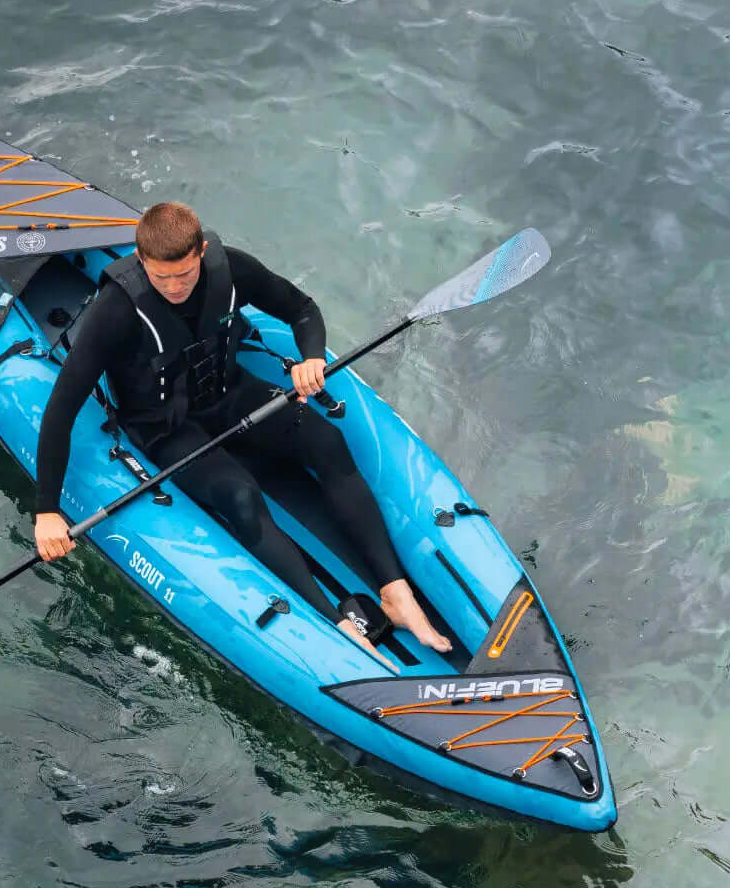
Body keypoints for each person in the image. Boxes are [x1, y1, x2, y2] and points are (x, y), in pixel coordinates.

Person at [33, 202, 451, 669]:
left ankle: (394, 591)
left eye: (185, 275)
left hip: (229, 395)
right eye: (161, 277)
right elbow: (61, 408)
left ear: (202, 252)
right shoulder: (115, 310)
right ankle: (334, 623)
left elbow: (301, 309)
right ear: (140, 259)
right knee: (241, 496)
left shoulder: (229, 269)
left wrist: (311, 357)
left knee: (327, 442)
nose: (173, 287)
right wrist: (47, 510)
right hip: (165, 427)